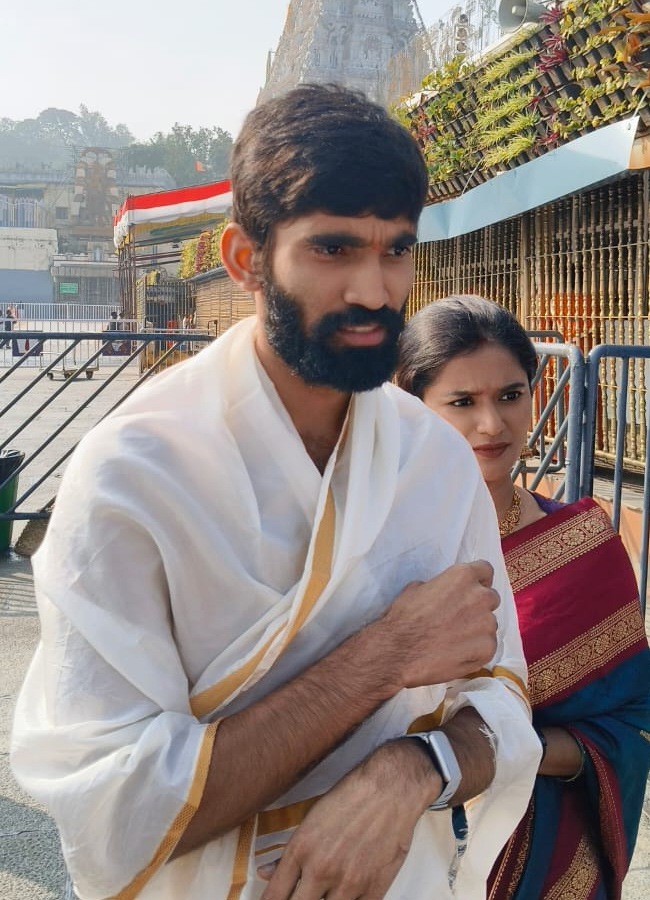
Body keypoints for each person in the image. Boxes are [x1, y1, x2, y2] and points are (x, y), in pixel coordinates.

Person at [11, 86, 540, 900]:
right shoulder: (132, 474)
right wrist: (386, 656)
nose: (375, 291)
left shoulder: (432, 458)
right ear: (244, 258)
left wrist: (413, 768)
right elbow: (112, 810)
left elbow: (500, 698)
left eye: (395, 250)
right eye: (333, 250)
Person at [396, 294, 650, 900]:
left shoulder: (582, 542)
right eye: (462, 402)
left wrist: (501, 755)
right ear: (412, 408)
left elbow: (631, 724)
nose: (493, 424)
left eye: (510, 395)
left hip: (543, 857)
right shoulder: (376, 548)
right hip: (389, 849)